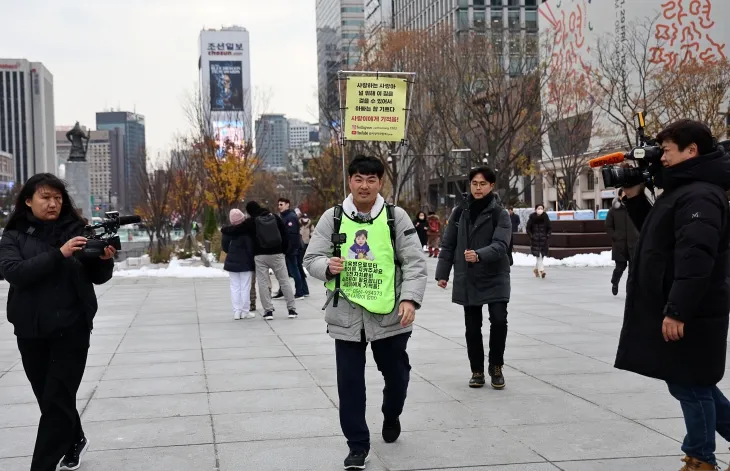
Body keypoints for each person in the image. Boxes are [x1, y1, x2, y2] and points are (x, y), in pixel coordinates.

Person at [615, 120, 730, 471]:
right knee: (697, 384)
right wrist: (635, 198)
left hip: (694, 311)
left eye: (666, 150)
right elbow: (660, 233)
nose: (660, 157)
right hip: (684, 306)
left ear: (691, 150)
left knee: (690, 386)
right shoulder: (686, 190)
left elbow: (696, 257)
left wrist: (678, 310)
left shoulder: (701, 195)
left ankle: (700, 459)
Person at [304, 155, 427, 470]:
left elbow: (414, 262)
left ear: (380, 183)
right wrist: (326, 268)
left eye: (371, 179)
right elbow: (311, 258)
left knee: (396, 374)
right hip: (345, 315)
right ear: (350, 181)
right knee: (350, 384)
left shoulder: (395, 217)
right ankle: (357, 445)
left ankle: (391, 413)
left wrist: (410, 300)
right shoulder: (332, 218)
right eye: (358, 178)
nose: (364, 185)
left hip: (389, 315)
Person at [0, 173, 115, 471]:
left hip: (72, 327)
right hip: (31, 329)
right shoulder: (13, 235)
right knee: (49, 397)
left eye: (58, 198)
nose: (53, 204)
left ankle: (41, 466)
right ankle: (75, 438)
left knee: (58, 397)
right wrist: (60, 254)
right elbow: (14, 272)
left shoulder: (79, 230)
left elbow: (97, 277)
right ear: (28, 201)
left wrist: (103, 260)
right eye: (45, 197)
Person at [435, 167, 512, 389]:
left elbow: (500, 246)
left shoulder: (500, 213)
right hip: (468, 276)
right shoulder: (459, 212)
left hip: (496, 275)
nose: (478, 188)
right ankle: (476, 370)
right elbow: (448, 244)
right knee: (472, 326)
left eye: (483, 184)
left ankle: (496, 366)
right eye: (474, 183)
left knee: (498, 320)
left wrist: (479, 255)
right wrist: (443, 273)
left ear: (491, 186)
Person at [242, 201, 298, 320]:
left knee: (263, 283)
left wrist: (225, 230)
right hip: (277, 254)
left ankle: (268, 311)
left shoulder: (251, 221)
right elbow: (285, 234)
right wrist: (284, 250)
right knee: (284, 281)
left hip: (260, 256)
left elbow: (238, 230)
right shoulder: (275, 217)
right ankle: (291, 309)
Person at [222, 209, 256, 320]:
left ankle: (236, 311)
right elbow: (251, 248)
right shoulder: (246, 231)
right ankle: (245, 311)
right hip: (245, 262)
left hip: (232, 261)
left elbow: (225, 247)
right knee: (245, 287)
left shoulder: (227, 231)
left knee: (234, 287)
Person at [605, 189, 638, 296]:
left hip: (634, 244)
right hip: (620, 245)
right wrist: (615, 236)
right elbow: (608, 226)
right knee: (620, 267)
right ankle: (615, 281)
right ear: (619, 196)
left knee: (632, 271)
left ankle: (630, 291)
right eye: (624, 193)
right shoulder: (614, 210)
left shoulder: (634, 208)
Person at [276, 198, 309, 299]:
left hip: (291, 249)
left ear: (287, 205)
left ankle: (299, 292)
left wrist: (289, 250)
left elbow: (292, 235)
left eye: (281, 204)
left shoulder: (290, 217)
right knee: (293, 270)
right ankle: (303, 290)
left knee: (294, 270)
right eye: (278, 205)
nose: (279, 207)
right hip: (291, 248)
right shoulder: (284, 216)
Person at [526, 204, 551, 278]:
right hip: (535, 240)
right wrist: (531, 235)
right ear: (536, 209)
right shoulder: (532, 218)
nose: (540, 210)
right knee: (539, 256)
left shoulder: (545, 217)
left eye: (541, 208)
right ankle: (542, 271)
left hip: (544, 240)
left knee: (542, 256)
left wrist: (548, 235)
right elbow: (528, 228)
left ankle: (536, 269)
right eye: (538, 208)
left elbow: (549, 227)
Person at [298, 212, 313, 281]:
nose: (305, 219)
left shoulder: (310, 225)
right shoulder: (298, 224)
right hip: (300, 243)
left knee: (307, 256)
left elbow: (314, 232)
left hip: (307, 243)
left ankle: (307, 269)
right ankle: (302, 271)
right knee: (300, 257)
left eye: (306, 218)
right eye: (304, 218)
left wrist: (312, 237)